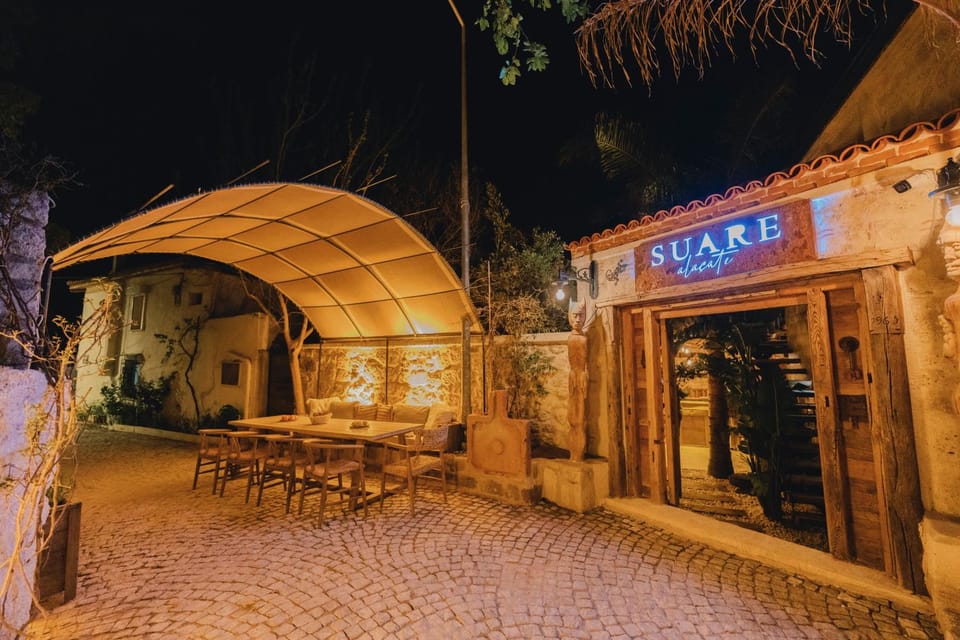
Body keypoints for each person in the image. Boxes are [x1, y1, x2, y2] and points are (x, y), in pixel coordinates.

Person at [567, 302, 587, 462]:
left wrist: (583, 374)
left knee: (580, 417)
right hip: (573, 376)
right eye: (575, 315)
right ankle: (573, 453)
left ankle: (578, 453)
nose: (578, 319)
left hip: (581, 376)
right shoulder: (571, 338)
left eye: (580, 315)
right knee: (572, 416)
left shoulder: (583, 339)